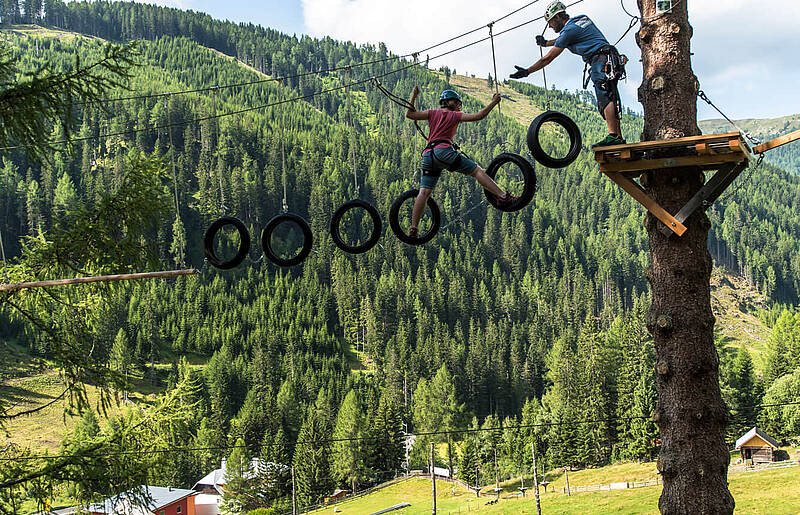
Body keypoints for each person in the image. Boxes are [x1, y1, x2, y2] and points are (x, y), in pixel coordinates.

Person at [405, 86, 518, 238]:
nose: (459, 107)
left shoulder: (432, 113)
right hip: (443, 151)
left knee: (424, 193)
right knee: (477, 171)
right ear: (450, 102)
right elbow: (480, 116)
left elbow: (409, 114)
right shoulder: (455, 115)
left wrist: (414, 95)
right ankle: (503, 196)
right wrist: (493, 102)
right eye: (457, 103)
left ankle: (414, 228)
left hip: (428, 155)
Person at [510, 1, 626, 147]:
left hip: (600, 60)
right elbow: (566, 38)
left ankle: (613, 135)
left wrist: (527, 72)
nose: (550, 26)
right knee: (610, 94)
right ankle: (618, 137)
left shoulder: (568, 31)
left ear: (558, 17)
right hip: (609, 58)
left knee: (604, 95)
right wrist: (545, 43)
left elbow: (548, 58)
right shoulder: (581, 19)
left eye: (551, 22)